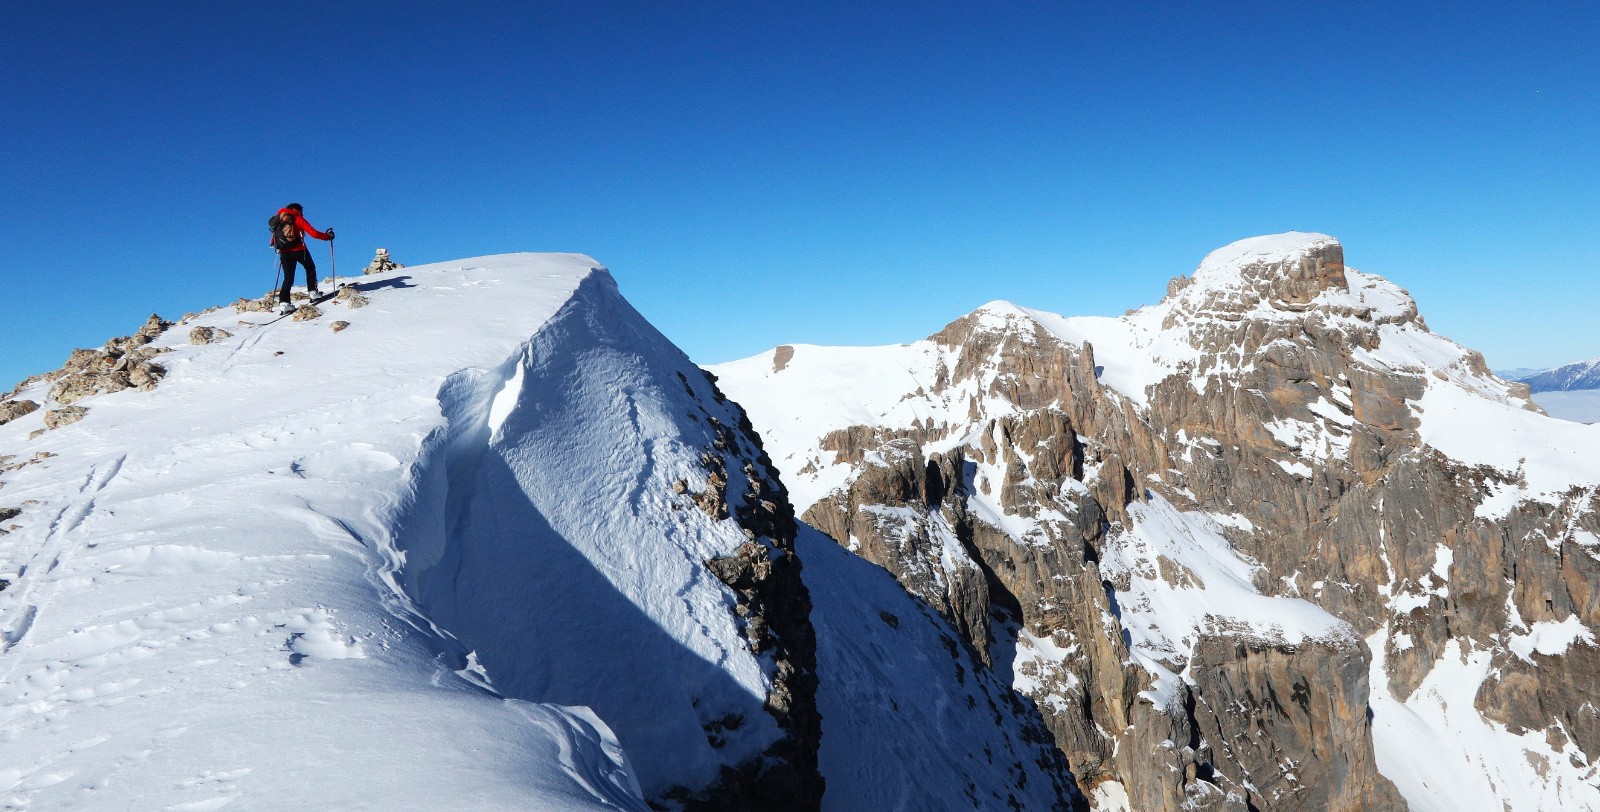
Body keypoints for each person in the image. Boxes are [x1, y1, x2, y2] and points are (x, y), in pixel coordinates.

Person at [270, 203, 335, 314]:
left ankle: (284, 303)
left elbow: (273, 240)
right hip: (299, 249)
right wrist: (327, 237)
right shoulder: (297, 218)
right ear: (296, 210)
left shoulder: (279, 219)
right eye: (301, 211)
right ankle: (313, 292)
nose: (302, 213)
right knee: (310, 268)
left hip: (284, 252)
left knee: (288, 277)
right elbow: (313, 233)